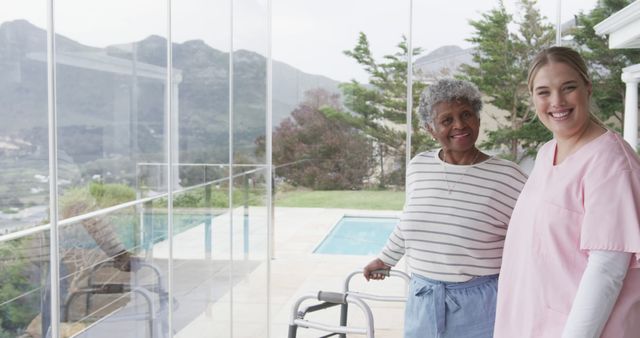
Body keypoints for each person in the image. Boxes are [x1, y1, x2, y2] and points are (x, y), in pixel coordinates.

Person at [363, 78, 527, 338]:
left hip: (481, 302)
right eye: (447, 120)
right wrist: (386, 259)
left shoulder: (508, 176)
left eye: (466, 115)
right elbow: (410, 220)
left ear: (478, 118)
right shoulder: (419, 166)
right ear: (431, 128)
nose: (459, 125)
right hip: (423, 297)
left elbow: (533, 236)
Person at [494, 46, 640, 338]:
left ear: (588, 87)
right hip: (530, 322)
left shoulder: (611, 163)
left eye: (568, 87)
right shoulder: (548, 153)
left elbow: (607, 272)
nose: (557, 101)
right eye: (544, 92)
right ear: (533, 97)